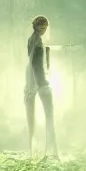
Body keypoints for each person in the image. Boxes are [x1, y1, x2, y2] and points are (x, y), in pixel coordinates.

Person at [24, 15, 58, 157]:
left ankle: (34, 151)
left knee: (32, 118)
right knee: (49, 116)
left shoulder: (32, 40)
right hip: (39, 82)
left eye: (45, 27)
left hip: (31, 80)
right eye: (41, 27)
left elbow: (32, 61)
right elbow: (36, 64)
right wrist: (40, 84)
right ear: (36, 26)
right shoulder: (37, 42)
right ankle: (51, 151)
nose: (43, 30)